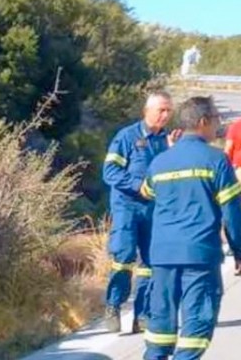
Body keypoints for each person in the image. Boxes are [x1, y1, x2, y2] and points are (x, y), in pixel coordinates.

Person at [139, 96, 241, 360]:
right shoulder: (217, 161)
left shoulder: (160, 162)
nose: (219, 125)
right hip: (199, 256)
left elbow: (147, 192)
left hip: (161, 257)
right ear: (203, 121)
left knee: (159, 332)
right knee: (196, 328)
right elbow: (233, 215)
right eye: (217, 119)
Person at [101, 91, 179, 334]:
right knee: (123, 257)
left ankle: (142, 315)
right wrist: (138, 186)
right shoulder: (126, 137)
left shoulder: (168, 140)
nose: (165, 115)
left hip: (154, 210)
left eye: (168, 111)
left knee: (150, 262)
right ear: (147, 111)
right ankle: (113, 306)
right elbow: (110, 172)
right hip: (127, 207)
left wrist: (174, 152)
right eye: (161, 110)